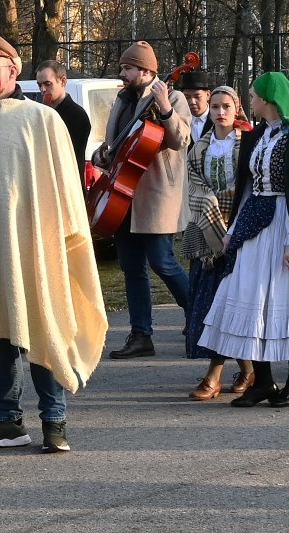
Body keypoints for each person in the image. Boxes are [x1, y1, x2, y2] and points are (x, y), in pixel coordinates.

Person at [0, 38, 105, 450]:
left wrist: (62, 240)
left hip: (35, 249)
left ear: (13, 69)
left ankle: (54, 422)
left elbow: (63, 189)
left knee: (43, 326)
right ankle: (7, 421)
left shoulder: (42, 120)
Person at [195, 72, 289, 405]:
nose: (251, 100)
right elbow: (248, 185)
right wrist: (232, 229)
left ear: (269, 99)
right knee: (250, 299)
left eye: (253, 95)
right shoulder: (258, 135)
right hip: (254, 224)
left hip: (286, 227)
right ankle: (262, 382)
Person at [97, 40, 191, 359]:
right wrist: (103, 155)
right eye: (122, 67)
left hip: (156, 196)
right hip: (122, 195)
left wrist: (165, 108)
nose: (121, 73)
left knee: (162, 262)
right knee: (131, 267)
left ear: (146, 70)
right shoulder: (122, 99)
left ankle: (201, 318)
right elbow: (115, 144)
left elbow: (180, 140)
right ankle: (140, 335)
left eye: (127, 68)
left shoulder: (173, 97)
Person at [183, 86, 253, 400]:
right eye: (215, 107)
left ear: (237, 108)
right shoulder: (200, 146)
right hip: (206, 231)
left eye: (226, 106)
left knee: (231, 304)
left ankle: (214, 376)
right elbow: (194, 184)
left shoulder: (247, 143)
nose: (220, 112)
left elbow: (250, 185)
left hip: (239, 230)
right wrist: (210, 204)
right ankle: (247, 370)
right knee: (210, 304)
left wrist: (228, 210)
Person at [35, 57, 92, 163]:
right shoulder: (40, 111)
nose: (43, 89)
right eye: (39, 85)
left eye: (48, 84)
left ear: (63, 81)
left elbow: (70, 155)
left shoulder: (77, 115)